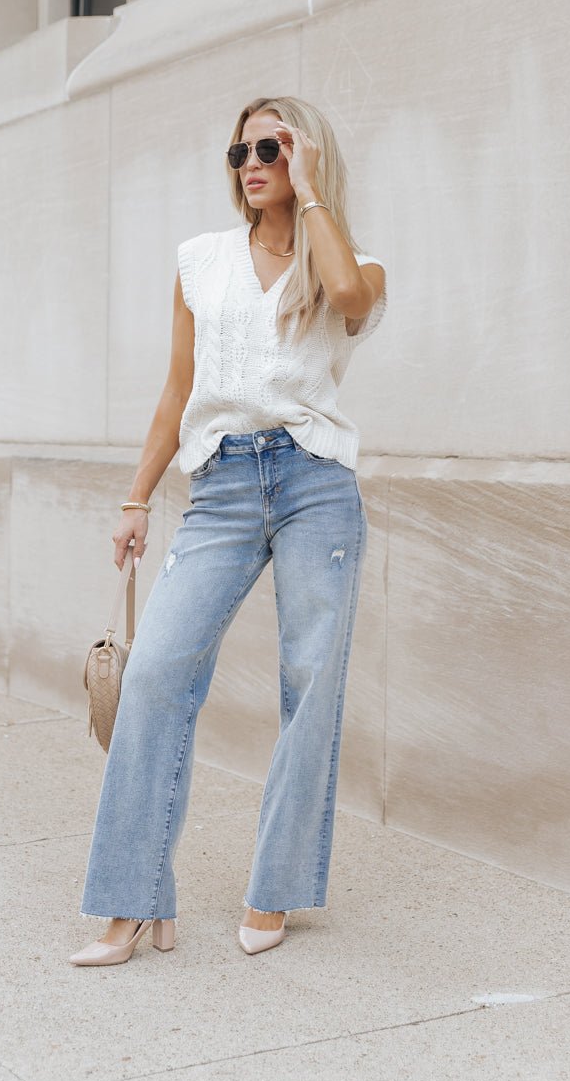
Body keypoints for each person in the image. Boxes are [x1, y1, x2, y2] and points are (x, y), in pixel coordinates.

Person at [70, 95, 387, 966]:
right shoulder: (202, 262)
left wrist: (312, 193)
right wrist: (137, 499)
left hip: (315, 482)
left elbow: (352, 297)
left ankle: (276, 886)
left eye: (272, 148)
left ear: (307, 156)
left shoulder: (353, 265)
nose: (250, 163)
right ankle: (135, 905)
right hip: (221, 485)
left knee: (309, 680)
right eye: (240, 150)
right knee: (156, 677)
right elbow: (178, 391)